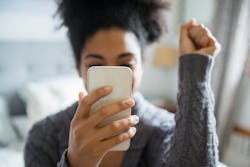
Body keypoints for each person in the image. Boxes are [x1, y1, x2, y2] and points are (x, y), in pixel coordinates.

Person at [24, 0, 221, 167]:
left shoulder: (164, 129)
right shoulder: (43, 137)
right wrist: (75, 162)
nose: (113, 76)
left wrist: (195, 74)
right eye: (96, 64)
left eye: (126, 64)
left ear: (142, 65)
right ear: (78, 68)